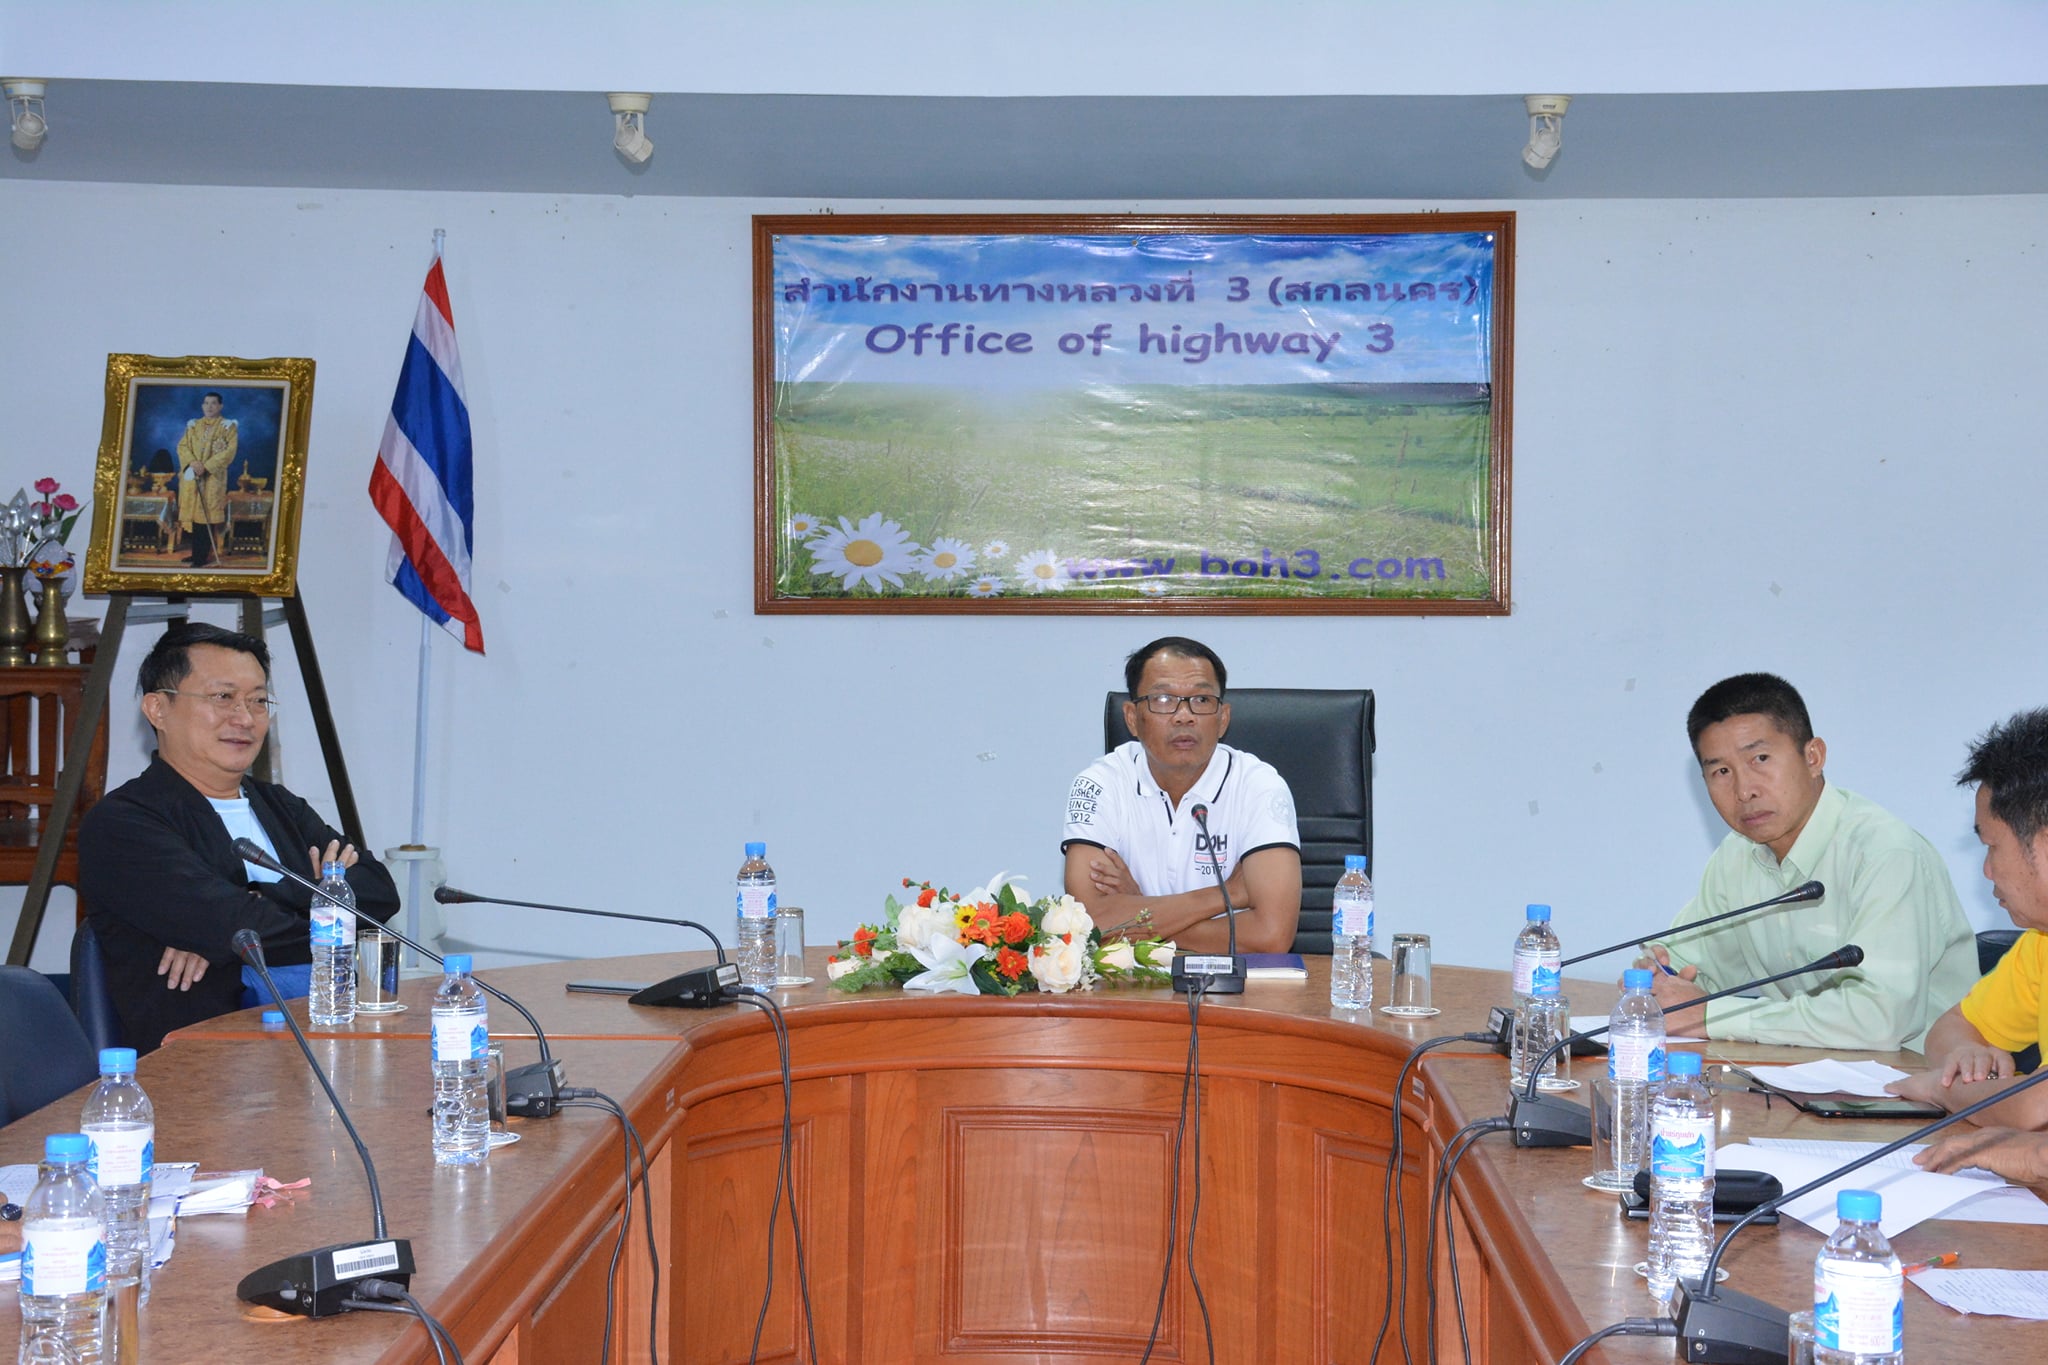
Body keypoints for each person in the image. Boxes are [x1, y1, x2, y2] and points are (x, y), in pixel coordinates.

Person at [78, 622, 399, 1052]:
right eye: (222, 697)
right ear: (158, 709)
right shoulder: (123, 823)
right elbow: (233, 924)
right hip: (202, 1060)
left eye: (258, 701)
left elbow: (378, 893)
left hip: (326, 1042)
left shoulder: (280, 806)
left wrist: (254, 908)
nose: (244, 718)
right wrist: (318, 898)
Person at [1643, 673, 1974, 1050]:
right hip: (1809, 1072)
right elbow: (1690, 963)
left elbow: (1879, 1019)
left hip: (1921, 1075)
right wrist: (1660, 979)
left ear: (1813, 757)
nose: (1744, 790)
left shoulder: (1886, 853)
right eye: (1721, 771)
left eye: (1760, 759)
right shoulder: (1737, 856)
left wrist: (1710, 1016)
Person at [1061, 636, 1302, 954]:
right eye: (1163, 699)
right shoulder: (1099, 784)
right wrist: (1226, 894)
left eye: (1201, 700)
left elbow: (1272, 936)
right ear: (1132, 718)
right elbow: (1091, 925)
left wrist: (1138, 910)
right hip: (1130, 979)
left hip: (1233, 979)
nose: (1184, 715)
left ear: (1223, 719)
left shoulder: (1259, 786)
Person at [1887, 708, 2048, 1127]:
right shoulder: (2040, 942)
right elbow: (1952, 1026)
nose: (1987, 871)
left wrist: (1943, 1089)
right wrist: (1965, 1054)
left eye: (1992, 846)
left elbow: (2037, 1111)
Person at [176, 390, 236, 566]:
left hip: (212, 478)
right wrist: (193, 462)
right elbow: (182, 446)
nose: (209, 407)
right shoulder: (193, 425)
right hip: (193, 476)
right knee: (195, 518)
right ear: (202, 406)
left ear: (220, 406)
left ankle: (202, 557)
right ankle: (196, 554)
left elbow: (229, 452)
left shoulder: (228, 426)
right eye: (206, 403)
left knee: (206, 517)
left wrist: (206, 466)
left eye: (213, 403)